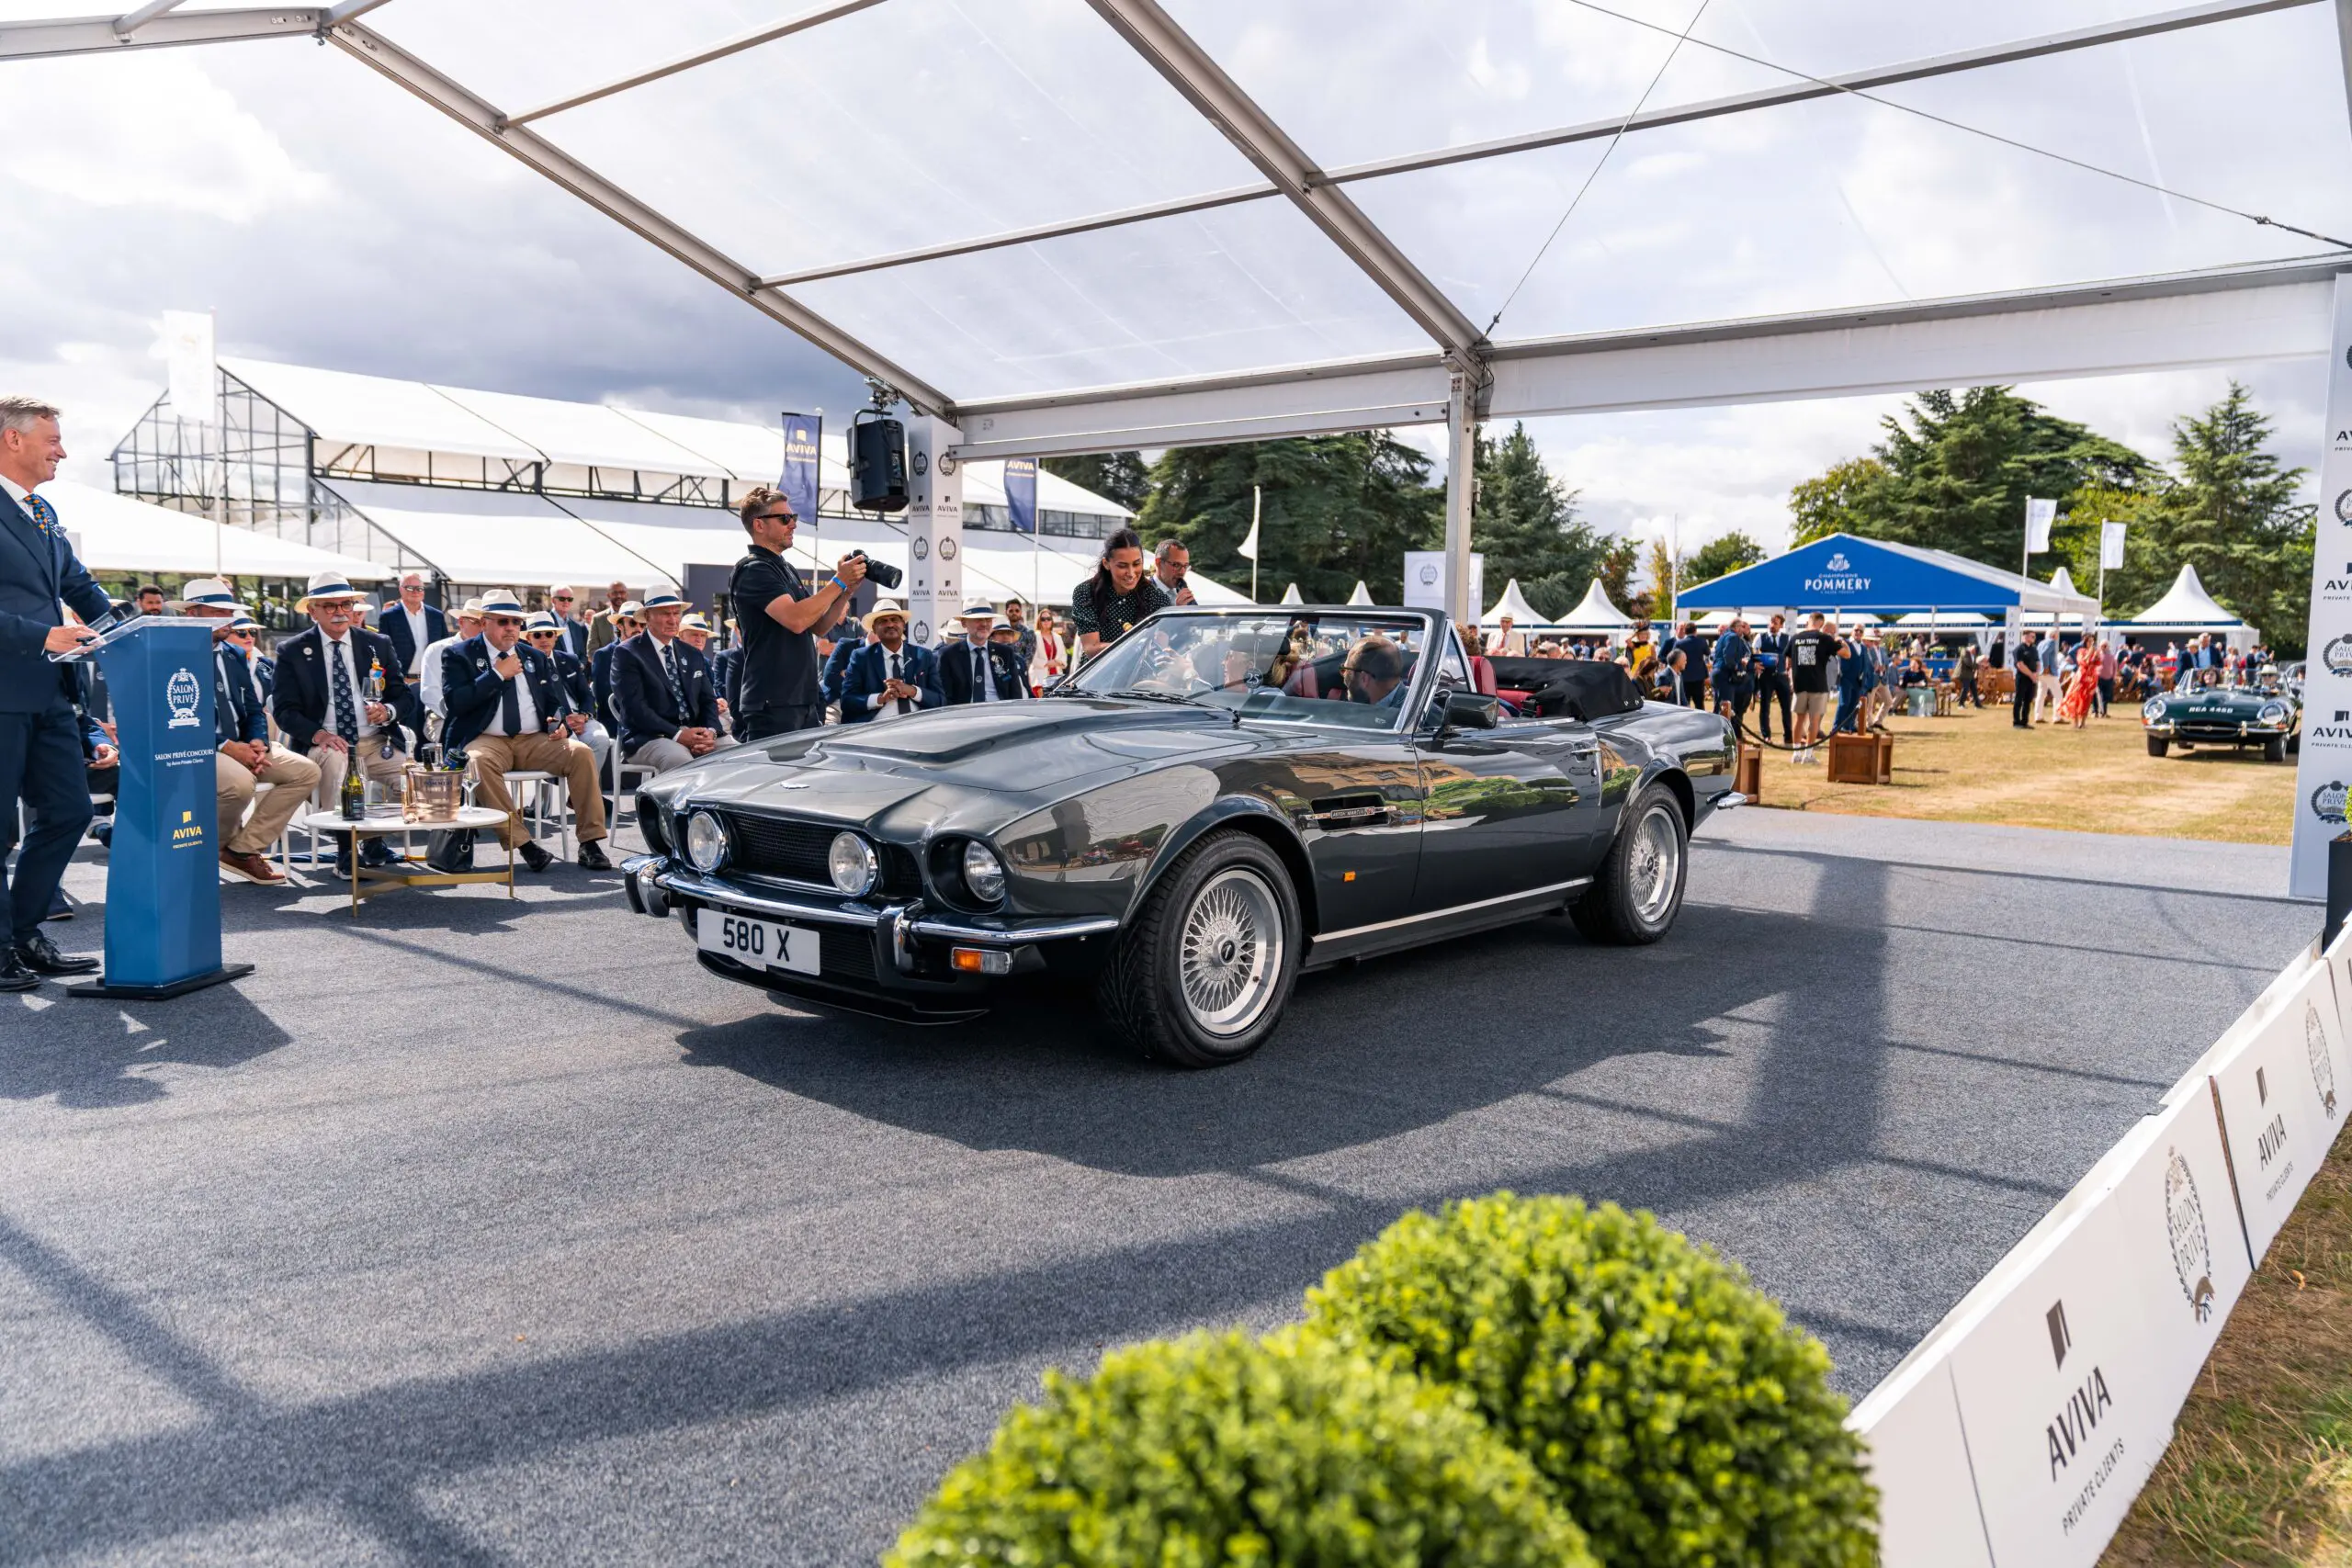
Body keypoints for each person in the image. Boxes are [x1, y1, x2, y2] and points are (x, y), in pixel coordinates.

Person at [0, 397, 107, 986]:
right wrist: (45, 634)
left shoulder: (42, 513)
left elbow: (80, 585)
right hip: (4, 691)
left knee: (68, 811)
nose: (62, 450)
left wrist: (133, 629)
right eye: (52, 439)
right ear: (13, 440)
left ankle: (23, 933)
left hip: (51, 694)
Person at [438, 589, 611, 873]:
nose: (511, 628)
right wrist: (496, 674)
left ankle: (590, 843)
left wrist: (559, 724)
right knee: (477, 763)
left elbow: (553, 703)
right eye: (503, 621)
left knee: (580, 753)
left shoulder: (534, 656)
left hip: (534, 739)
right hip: (486, 739)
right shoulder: (459, 654)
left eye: (516, 622)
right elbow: (456, 703)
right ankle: (524, 844)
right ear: (484, 623)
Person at [272, 570, 422, 876]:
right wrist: (317, 734)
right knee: (338, 765)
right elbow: (284, 711)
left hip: (376, 741)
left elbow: (404, 697)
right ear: (312, 611)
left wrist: (388, 711)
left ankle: (373, 839)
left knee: (412, 782)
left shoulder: (376, 644)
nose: (340, 612)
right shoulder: (293, 651)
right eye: (330, 606)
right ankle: (345, 850)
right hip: (328, 741)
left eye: (345, 604)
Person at [174, 580, 318, 886]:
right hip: (198, 747)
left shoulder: (234, 654)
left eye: (230, 610)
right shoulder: (171, 653)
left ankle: (241, 851)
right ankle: (205, 850)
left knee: (305, 772)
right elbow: (171, 718)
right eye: (218, 611)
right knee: (240, 784)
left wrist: (258, 743)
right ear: (193, 613)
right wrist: (227, 746)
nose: (228, 618)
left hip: (242, 744)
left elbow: (253, 709)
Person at [729, 485, 865, 739]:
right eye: (784, 518)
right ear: (759, 525)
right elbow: (796, 619)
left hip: (802, 698)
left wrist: (845, 590)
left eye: (793, 517)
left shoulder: (785, 567)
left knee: (804, 779)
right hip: (774, 701)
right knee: (778, 778)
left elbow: (819, 625)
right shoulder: (753, 570)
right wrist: (838, 580)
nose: (793, 524)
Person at [613, 588, 726, 774]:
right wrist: (679, 734)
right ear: (647, 617)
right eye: (665, 613)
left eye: (676, 613)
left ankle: (718, 804)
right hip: (648, 736)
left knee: (741, 756)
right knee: (681, 761)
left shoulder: (692, 654)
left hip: (693, 733)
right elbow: (635, 709)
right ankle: (678, 804)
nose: (673, 620)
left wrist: (710, 732)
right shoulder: (627, 653)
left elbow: (707, 700)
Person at [526, 611, 611, 781]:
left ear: (555, 637)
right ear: (528, 639)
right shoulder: (525, 665)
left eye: (549, 634)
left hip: (579, 717)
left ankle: (577, 796)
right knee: (572, 746)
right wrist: (565, 723)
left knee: (601, 740)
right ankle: (582, 795)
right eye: (537, 635)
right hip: (551, 724)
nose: (544, 639)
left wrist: (584, 716)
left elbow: (587, 696)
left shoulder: (569, 659)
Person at [1069, 528, 1172, 661]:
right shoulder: (1086, 592)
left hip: (1139, 678)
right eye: (1122, 566)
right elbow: (1092, 649)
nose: (1131, 573)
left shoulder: (1156, 597)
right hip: (1096, 676)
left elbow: (1160, 650)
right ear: (1106, 563)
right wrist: (1137, 644)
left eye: (1137, 564)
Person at [838, 600, 941, 723]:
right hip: (875, 730)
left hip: (917, 727)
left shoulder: (923, 656)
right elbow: (847, 701)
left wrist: (913, 691)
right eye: (883, 621)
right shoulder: (861, 657)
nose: (890, 624)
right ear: (874, 629)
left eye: (894, 620)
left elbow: (940, 700)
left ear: (903, 625)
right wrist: (880, 698)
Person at [939, 600, 1025, 704]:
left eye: (988, 619)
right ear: (964, 623)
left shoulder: (1005, 653)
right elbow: (944, 697)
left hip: (1000, 715)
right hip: (965, 716)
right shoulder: (949, 655)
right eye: (978, 619)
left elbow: (1015, 694)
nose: (984, 624)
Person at [418, 598, 482, 730]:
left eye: (485, 623)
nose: (482, 628)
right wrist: (458, 715)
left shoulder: (492, 651)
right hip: (442, 717)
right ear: (461, 622)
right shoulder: (437, 649)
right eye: (476, 622)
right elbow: (430, 692)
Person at [375, 570, 448, 679]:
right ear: (400, 589)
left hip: (432, 679)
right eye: (410, 588)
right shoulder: (388, 617)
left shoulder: (436, 616)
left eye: (419, 588)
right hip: (403, 680)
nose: (415, 592)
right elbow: (382, 652)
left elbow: (444, 647)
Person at [1787, 612, 1835, 761]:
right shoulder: (1824, 638)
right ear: (1821, 623)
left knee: (1799, 719)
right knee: (1814, 720)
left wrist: (1791, 680)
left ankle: (1796, 753)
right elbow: (1845, 654)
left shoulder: (1795, 638)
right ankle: (1808, 755)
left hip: (1799, 684)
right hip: (1818, 684)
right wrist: (1841, 642)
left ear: (1809, 621)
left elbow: (1788, 663)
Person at [591, 602, 639, 734]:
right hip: (617, 723)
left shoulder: (651, 653)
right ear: (620, 626)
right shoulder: (604, 655)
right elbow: (605, 700)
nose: (639, 628)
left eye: (643, 624)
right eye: (633, 623)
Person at [1751, 613, 1792, 744]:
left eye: (1776, 623)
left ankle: (1788, 736)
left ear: (1781, 625)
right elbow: (1754, 653)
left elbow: (1791, 657)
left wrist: (1789, 673)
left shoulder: (1787, 638)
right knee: (1765, 707)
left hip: (1782, 676)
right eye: (1771, 622)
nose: (1773, 625)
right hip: (1766, 677)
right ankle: (1766, 736)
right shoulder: (1760, 637)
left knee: (1786, 707)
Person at [1340, 635, 1409, 711]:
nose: (1344, 676)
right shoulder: (1414, 709)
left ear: (1364, 679)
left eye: (1345, 670)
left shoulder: (1397, 719)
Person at [1710, 616, 1754, 731]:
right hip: (1724, 674)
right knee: (1726, 708)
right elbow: (1728, 656)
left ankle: (1716, 734)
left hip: (1718, 673)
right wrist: (1737, 667)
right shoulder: (1733, 637)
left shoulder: (1724, 636)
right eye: (1742, 627)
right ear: (1737, 627)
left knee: (1719, 706)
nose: (1743, 630)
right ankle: (1723, 736)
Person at [585, 580, 634, 658]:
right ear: (608, 595)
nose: (619, 596)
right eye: (615, 593)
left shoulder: (636, 618)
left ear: (627, 594)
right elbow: (591, 651)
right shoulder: (598, 619)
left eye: (622, 592)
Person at [2060, 640, 2098, 729]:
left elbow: (2098, 663)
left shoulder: (2095, 651)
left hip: (2091, 678)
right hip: (2081, 677)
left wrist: (2095, 657)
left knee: (2087, 700)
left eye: (2093, 642)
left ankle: (2083, 723)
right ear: (2086, 642)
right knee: (2077, 698)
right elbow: (2082, 662)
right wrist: (2089, 654)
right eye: (2090, 641)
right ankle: (2076, 722)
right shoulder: (2081, 651)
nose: (2091, 644)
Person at [1671, 621, 1710, 708]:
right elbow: (1708, 652)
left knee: (1685, 703)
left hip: (1684, 676)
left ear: (1685, 631)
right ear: (1695, 631)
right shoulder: (1702, 641)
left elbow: (1673, 656)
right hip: (1699, 676)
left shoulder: (1679, 643)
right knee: (1700, 703)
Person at [1153, 539, 1198, 606]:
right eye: (1176, 565)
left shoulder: (1182, 590)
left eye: (1185, 566)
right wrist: (1178, 611)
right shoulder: (1143, 594)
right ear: (1159, 563)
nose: (1182, 572)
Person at [549, 586, 590, 660]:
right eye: (562, 599)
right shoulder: (546, 624)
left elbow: (583, 653)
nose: (566, 602)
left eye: (569, 599)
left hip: (576, 670)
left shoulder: (577, 627)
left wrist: (581, 665)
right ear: (553, 600)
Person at [1002, 596, 1039, 677]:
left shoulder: (1029, 633)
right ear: (1006, 612)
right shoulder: (999, 633)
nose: (1014, 613)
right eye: (1011, 611)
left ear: (1021, 612)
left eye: (1017, 610)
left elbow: (1029, 659)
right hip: (1001, 674)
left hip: (1020, 675)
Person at [2011, 630, 2041, 728]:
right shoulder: (2019, 649)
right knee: (2019, 700)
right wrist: (2031, 675)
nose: (2033, 638)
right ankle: (2016, 722)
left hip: (2032, 679)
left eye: (2034, 637)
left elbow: (2038, 662)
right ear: (2025, 636)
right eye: (2032, 636)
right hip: (2022, 677)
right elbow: (2020, 665)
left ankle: (2025, 722)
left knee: (2028, 700)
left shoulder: (2034, 649)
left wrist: (2036, 673)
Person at [1954, 641, 1980, 707]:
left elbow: (1973, 663)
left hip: (1969, 674)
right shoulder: (1964, 651)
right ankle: (1960, 704)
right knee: (1965, 688)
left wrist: (1977, 665)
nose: (1974, 653)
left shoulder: (1974, 653)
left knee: (1974, 689)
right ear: (1972, 648)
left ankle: (1977, 704)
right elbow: (1968, 663)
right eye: (1974, 651)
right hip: (1963, 673)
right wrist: (1979, 666)